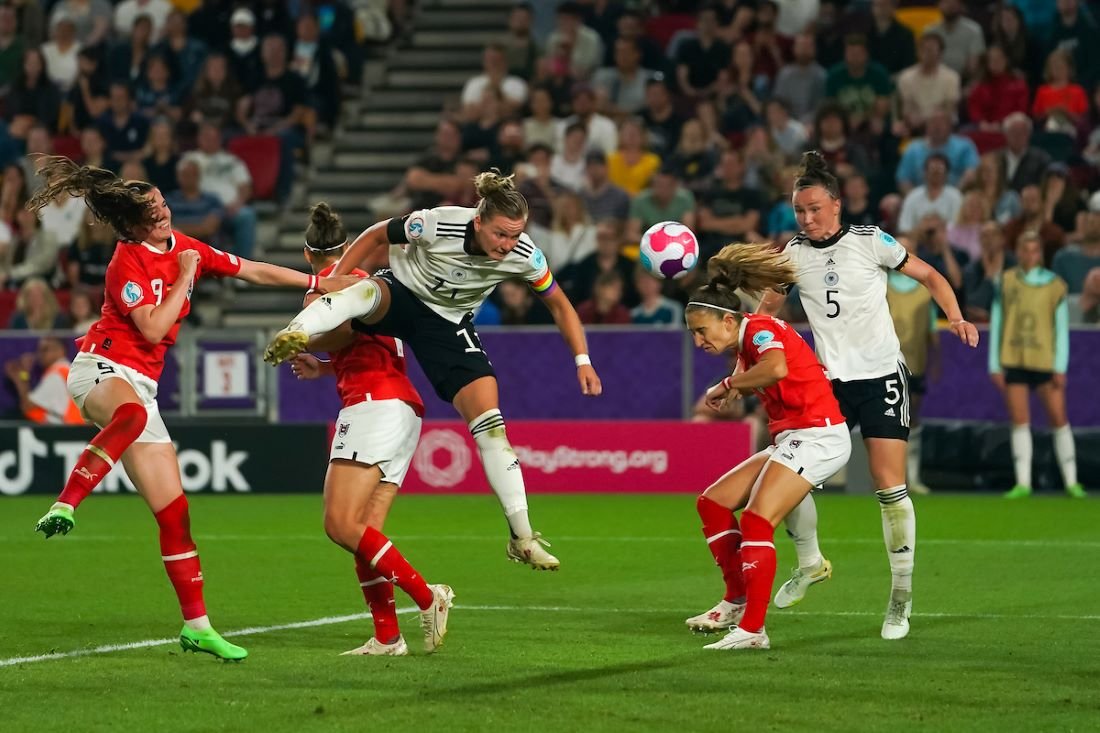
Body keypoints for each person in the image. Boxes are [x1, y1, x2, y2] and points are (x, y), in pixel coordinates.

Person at [27, 156, 351, 661]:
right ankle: (67, 502)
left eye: (162, 204)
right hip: (99, 369)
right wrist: (184, 275)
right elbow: (153, 328)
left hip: (143, 387)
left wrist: (314, 286)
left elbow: (252, 270)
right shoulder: (126, 261)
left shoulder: (185, 247)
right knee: (128, 417)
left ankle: (197, 627)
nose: (162, 213)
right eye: (152, 212)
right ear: (133, 224)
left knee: (175, 515)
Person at [264, 171, 603, 570]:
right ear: (478, 221)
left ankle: (522, 537)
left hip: (448, 324)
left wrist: (583, 360)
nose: (507, 245)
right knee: (363, 291)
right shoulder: (438, 222)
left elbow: (560, 305)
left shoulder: (525, 255)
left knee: (492, 425)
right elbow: (376, 235)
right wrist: (331, 280)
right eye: (500, 234)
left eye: (515, 236)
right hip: (404, 294)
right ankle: (296, 330)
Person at [753, 151, 980, 640]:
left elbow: (931, 276)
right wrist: (747, 359)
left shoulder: (869, 241)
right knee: (791, 472)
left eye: (815, 208)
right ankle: (810, 562)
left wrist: (955, 316)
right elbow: (765, 316)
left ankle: (901, 596)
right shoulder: (791, 254)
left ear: (836, 205)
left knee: (887, 484)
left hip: (880, 377)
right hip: (826, 382)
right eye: (799, 211)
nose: (808, 219)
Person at [287, 203, 453, 656]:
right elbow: (363, 342)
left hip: (372, 405)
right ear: (347, 248)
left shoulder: (325, 291)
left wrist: (301, 335)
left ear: (307, 254)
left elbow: (343, 332)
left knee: (339, 524)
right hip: (402, 407)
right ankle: (386, 637)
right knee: (365, 532)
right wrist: (324, 368)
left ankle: (427, 596)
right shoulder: (379, 285)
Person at [684, 243, 850, 650]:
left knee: (758, 520)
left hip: (819, 435)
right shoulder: (748, 336)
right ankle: (736, 600)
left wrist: (726, 384)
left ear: (727, 320)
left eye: (702, 331)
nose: (699, 341)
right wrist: (737, 379)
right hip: (794, 437)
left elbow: (775, 367)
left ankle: (754, 630)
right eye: (692, 334)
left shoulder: (758, 329)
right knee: (713, 502)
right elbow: (759, 363)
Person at [989, 231, 1085, 499]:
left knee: (1059, 418)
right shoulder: (1006, 281)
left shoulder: (1055, 285)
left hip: (1045, 361)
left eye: (1034, 250)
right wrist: (994, 364)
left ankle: (1071, 481)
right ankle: (1023, 482)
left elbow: (1061, 328)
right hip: (1015, 358)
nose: (1029, 255)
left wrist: (1060, 365)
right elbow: (998, 322)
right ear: (1018, 251)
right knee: (1020, 421)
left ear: (1040, 253)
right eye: (1024, 249)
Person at [886, 236, 938, 495]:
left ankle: (913, 477)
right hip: (883, 364)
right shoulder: (880, 284)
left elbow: (931, 332)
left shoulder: (923, 290)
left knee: (912, 419)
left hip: (914, 362)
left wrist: (935, 362)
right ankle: (892, 478)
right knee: (889, 420)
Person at [4, 336, 83, 425]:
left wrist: (20, 377)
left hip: (69, 429)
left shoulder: (57, 372)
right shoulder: (67, 368)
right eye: (39, 350)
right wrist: (24, 374)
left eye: (45, 349)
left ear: (61, 350)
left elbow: (27, 405)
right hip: (75, 427)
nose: (40, 354)